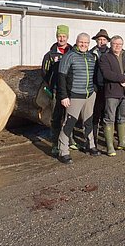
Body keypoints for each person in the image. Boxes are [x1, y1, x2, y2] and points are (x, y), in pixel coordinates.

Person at [57, 33, 98, 164]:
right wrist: (64, 96)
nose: (83, 45)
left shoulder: (92, 57)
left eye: (86, 43)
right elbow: (61, 77)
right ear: (76, 42)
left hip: (89, 94)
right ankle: (63, 151)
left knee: (88, 122)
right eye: (81, 42)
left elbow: (95, 75)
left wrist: (95, 90)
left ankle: (90, 145)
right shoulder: (69, 56)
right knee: (69, 123)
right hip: (74, 95)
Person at [99, 35, 125, 157]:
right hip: (112, 92)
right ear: (111, 44)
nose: (117, 46)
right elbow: (106, 73)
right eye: (115, 44)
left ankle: (122, 142)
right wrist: (122, 78)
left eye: (120, 44)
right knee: (109, 118)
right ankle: (110, 146)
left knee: (123, 117)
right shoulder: (105, 57)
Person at [41, 24, 73, 156]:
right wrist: (52, 83)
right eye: (60, 36)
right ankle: (55, 143)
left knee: (70, 117)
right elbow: (44, 72)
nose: (62, 38)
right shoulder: (50, 55)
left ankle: (69, 140)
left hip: (71, 91)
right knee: (56, 117)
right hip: (56, 91)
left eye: (64, 36)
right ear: (57, 37)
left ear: (67, 37)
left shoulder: (73, 52)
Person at [90, 29, 111, 145]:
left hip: (108, 87)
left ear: (107, 41)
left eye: (104, 39)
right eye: (99, 40)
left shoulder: (111, 52)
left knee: (107, 112)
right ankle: (93, 137)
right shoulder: (91, 53)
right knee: (95, 113)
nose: (101, 42)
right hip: (95, 87)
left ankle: (107, 137)